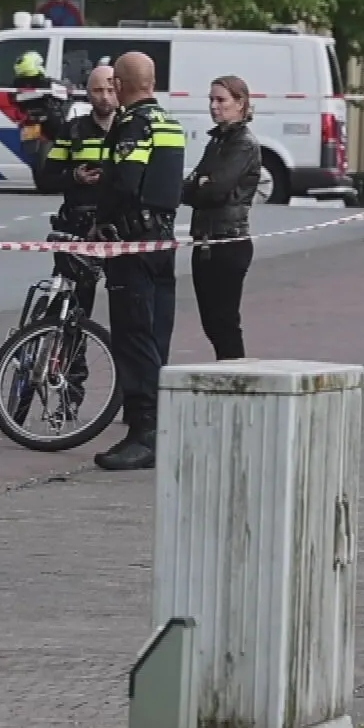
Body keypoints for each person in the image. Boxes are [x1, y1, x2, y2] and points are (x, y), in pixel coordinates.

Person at [92, 51, 187, 473]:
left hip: (132, 242)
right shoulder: (170, 122)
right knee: (155, 334)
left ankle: (143, 434)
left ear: (121, 85)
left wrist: (99, 217)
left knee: (133, 336)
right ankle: (158, 428)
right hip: (162, 241)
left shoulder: (133, 125)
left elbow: (126, 183)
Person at [37, 63, 119, 403]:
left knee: (127, 313)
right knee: (74, 312)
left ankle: (131, 397)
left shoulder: (129, 130)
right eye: (98, 90)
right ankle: (72, 390)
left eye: (110, 89)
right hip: (78, 230)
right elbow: (45, 178)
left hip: (118, 232)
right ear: (88, 93)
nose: (104, 96)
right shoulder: (73, 131)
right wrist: (74, 178)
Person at [184, 76, 262, 360]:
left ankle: (236, 375)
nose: (214, 107)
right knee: (211, 321)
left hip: (229, 239)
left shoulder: (243, 143)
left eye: (221, 100)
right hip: (204, 239)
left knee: (225, 320)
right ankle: (228, 369)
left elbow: (216, 190)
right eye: (211, 100)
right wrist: (198, 185)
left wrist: (203, 185)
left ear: (240, 103)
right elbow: (192, 184)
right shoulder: (217, 141)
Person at [12, 49, 69, 144]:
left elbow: (14, 100)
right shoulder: (46, 83)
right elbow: (66, 94)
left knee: (30, 152)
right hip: (49, 124)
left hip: (29, 122)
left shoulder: (16, 85)